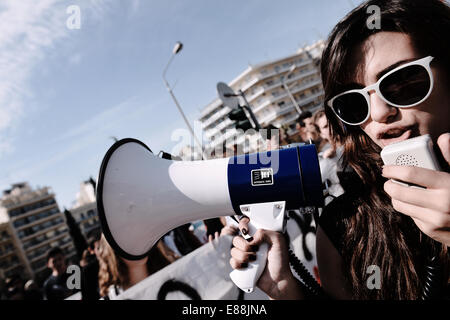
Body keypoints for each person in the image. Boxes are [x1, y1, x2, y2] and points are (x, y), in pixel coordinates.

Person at [230, 0, 450, 300]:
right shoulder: (343, 227)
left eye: (402, 82)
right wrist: (286, 291)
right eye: (354, 103)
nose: (379, 112)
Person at [96, 234, 174, 299]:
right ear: (113, 249)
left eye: (139, 234)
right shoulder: (112, 297)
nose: (137, 244)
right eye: (126, 240)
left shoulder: (176, 277)